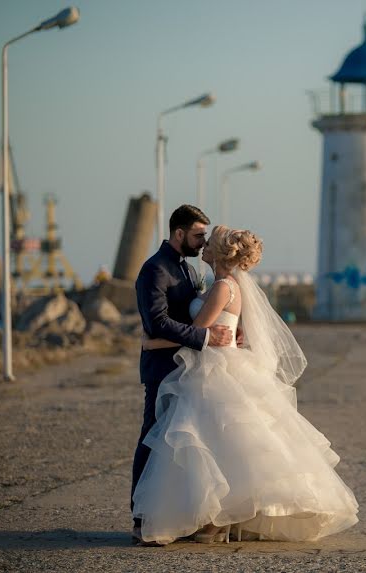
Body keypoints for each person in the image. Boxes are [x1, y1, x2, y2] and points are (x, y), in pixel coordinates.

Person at [132, 225, 359, 545]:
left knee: (212, 442)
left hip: (216, 368)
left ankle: (216, 519)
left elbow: (198, 332)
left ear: (221, 253)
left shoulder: (224, 286)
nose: (204, 248)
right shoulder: (222, 284)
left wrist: (152, 343)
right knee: (218, 443)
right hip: (217, 363)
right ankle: (215, 518)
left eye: (209, 244)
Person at [131, 205, 234, 545]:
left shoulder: (188, 270)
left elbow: (205, 312)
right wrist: (204, 337)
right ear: (179, 233)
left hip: (189, 370)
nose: (202, 241)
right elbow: (157, 322)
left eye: (205, 236)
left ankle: (185, 513)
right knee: (154, 436)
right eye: (198, 235)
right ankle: (141, 516)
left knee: (185, 442)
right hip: (163, 368)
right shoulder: (154, 270)